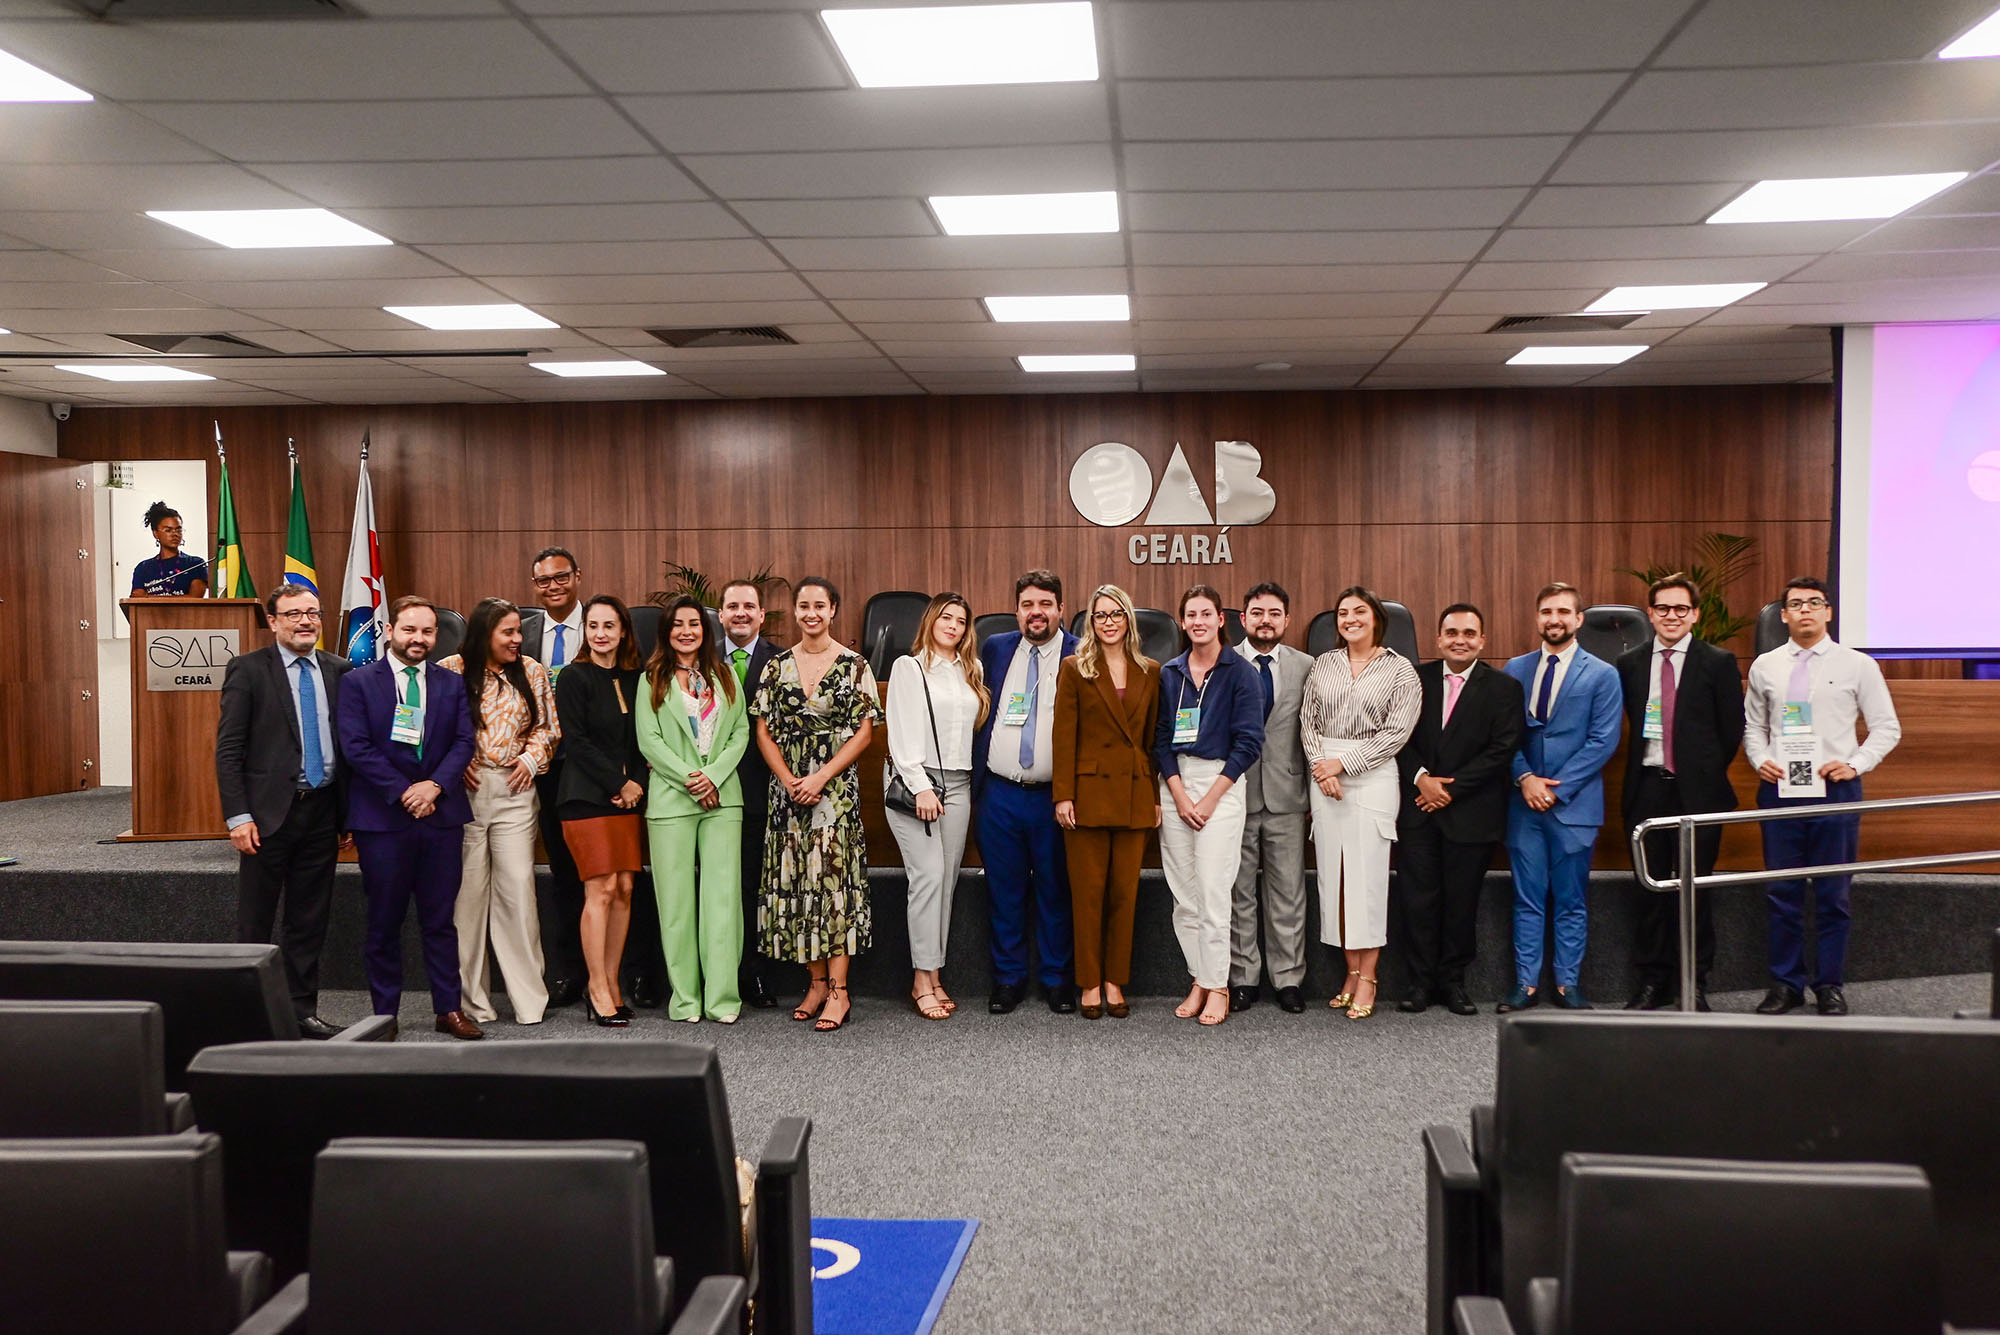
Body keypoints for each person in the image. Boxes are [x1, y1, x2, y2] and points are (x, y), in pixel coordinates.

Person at [1745, 576, 1901, 1017]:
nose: (1806, 611)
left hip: (1835, 791)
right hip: (1781, 791)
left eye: (1814, 603)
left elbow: (1886, 727)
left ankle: (1829, 985)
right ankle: (1786, 985)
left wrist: (1856, 763)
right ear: (1784, 615)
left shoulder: (1858, 665)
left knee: (1833, 896)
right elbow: (1754, 727)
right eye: (1796, 604)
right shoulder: (1765, 666)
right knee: (1782, 893)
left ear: (1828, 612)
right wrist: (1760, 759)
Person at [335, 595, 482, 1040]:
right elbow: (356, 746)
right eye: (410, 630)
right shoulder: (358, 682)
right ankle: (385, 1014)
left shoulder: (450, 683)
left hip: (440, 818)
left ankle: (448, 1009)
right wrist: (405, 791)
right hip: (383, 821)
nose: (419, 639)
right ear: (390, 631)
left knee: (440, 921)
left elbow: (464, 741)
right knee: (384, 922)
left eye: (428, 631)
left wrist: (434, 786)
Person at [215, 583, 351, 1039]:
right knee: (255, 921)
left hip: (323, 813)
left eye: (312, 612)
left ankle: (300, 1012)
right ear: (272, 621)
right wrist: (238, 816)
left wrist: (348, 815)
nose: (305, 621)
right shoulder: (249, 670)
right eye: (293, 614)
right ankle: (247, 1017)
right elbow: (229, 750)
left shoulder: (339, 670)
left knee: (308, 921)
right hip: (266, 817)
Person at [750, 577, 880, 1033]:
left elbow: (865, 732)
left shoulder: (855, 665)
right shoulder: (776, 666)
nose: (811, 613)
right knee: (800, 886)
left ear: (833, 610)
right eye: (803, 605)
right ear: (795, 610)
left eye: (819, 606)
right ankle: (817, 983)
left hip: (834, 793)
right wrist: (789, 780)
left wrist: (821, 776)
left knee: (833, 887)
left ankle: (840, 991)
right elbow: (763, 731)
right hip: (788, 793)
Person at [1616, 574, 1746, 1012]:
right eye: (1663, 608)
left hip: (1699, 794)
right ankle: (1653, 982)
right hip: (1647, 790)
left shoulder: (1718, 662)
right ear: (1650, 613)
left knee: (1695, 890)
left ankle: (1694, 982)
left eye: (1681, 608)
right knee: (1650, 891)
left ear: (1695, 614)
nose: (1672, 616)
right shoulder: (1630, 663)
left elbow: (1731, 731)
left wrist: (1698, 772)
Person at [1499, 582, 1623, 1013]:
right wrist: (1525, 778)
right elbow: (1503, 735)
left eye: (1563, 612)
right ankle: (1526, 985)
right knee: (1527, 899)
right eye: (1547, 611)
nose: (1555, 619)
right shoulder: (1514, 669)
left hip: (1574, 806)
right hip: (1523, 805)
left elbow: (1603, 741)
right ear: (1537, 618)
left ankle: (1568, 985)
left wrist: (1556, 788)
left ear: (1578, 619)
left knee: (1571, 901)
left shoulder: (1603, 674)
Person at [1300, 586, 1422, 1021]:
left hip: (1372, 778)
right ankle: (1350, 972)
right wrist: (1322, 768)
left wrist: (1343, 764)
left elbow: (1396, 734)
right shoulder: (1323, 664)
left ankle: (1369, 976)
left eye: (1359, 611)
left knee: (1366, 881)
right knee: (1335, 881)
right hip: (1324, 776)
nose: (1350, 619)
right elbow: (1308, 721)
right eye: (1342, 613)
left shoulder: (1400, 670)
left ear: (1376, 619)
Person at [1395, 604, 1523, 1015]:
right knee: (1418, 900)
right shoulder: (1413, 680)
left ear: (1482, 641)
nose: (1460, 640)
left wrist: (1448, 790)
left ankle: (1453, 982)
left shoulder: (1504, 688)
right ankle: (1419, 983)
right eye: (1451, 633)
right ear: (1438, 639)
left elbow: (1502, 749)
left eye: (1469, 633)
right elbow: (1396, 737)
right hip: (1418, 808)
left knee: (1461, 902)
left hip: (1471, 811)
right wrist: (1421, 779)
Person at [439, 596, 558, 1027]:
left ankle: (529, 1002)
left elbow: (548, 728)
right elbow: (431, 728)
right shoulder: (450, 670)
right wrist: (456, 761)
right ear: (483, 634)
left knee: (518, 893)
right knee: (467, 900)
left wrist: (530, 758)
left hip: (515, 789)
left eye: (518, 631)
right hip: (464, 795)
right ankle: (473, 1003)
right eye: (507, 632)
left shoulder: (532, 671)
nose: (516, 639)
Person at [637, 595, 751, 1024]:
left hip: (723, 800)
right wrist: (693, 779)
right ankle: (685, 999)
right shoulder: (651, 679)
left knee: (723, 902)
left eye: (694, 624)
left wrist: (713, 777)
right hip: (672, 801)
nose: (686, 631)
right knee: (677, 905)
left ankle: (722, 999)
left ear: (706, 631)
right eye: (678, 624)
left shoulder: (725, 675)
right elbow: (650, 741)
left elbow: (740, 732)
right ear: (666, 632)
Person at [1154, 584, 1265, 1027]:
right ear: (1182, 622)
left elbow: (1249, 743)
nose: (1198, 622)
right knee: (1185, 898)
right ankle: (1199, 978)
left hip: (1222, 784)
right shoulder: (1170, 673)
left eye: (1206, 614)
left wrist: (1209, 798)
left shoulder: (1241, 673)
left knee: (1215, 893)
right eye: (1191, 615)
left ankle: (1219, 985)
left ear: (1221, 620)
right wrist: (1180, 795)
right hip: (1176, 785)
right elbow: (1160, 740)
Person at [974, 571, 1081, 1014]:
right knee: (1005, 892)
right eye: (1027, 605)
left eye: (1045, 604)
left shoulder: (1080, 653)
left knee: (1056, 890)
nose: (1036, 613)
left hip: (1053, 797)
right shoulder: (996, 648)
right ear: (1016, 610)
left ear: (1060, 609)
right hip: (999, 794)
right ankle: (1008, 979)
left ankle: (1057, 980)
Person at [1053, 584, 1159, 1021]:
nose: (1109, 622)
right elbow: (1063, 736)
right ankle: (1090, 983)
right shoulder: (1075, 668)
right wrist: (1063, 794)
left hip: (1134, 795)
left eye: (1116, 614)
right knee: (1088, 896)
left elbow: (1151, 741)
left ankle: (1116, 980)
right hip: (1088, 796)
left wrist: (1154, 795)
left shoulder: (1150, 670)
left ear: (1128, 619)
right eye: (1100, 615)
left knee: (1124, 895)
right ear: (1090, 623)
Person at [885, 593, 988, 1021]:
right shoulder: (909, 667)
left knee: (945, 882)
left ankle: (934, 975)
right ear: (931, 620)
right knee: (927, 877)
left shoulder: (971, 669)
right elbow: (900, 733)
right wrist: (921, 786)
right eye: (946, 617)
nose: (953, 626)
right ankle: (920, 980)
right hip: (918, 783)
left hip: (959, 784)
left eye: (961, 621)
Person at [554, 594, 647, 1027]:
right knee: (602, 889)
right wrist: (619, 784)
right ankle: (595, 987)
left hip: (627, 799)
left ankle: (612, 982)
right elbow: (576, 742)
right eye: (593, 625)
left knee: (625, 887)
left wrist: (636, 786)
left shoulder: (636, 679)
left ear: (623, 631)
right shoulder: (573, 677)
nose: (600, 633)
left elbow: (644, 740)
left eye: (609, 625)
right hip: (584, 798)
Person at [1227, 581, 1314, 1014]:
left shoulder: (1307, 666)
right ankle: (1243, 978)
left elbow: (1314, 731)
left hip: (1288, 795)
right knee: (1238, 892)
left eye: (1274, 613)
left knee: (1288, 893)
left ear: (1286, 619)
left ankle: (1288, 979)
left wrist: (1313, 794)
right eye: (1257, 612)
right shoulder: (1223, 662)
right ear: (1243, 618)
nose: (1266, 621)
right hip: (1235, 794)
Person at [719, 578, 783, 1008]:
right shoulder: (700, 660)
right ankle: (716, 972)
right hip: (711, 793)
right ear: (720, 615)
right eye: (732, 606)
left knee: (754, 888)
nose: (740, 613)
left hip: (764, 792)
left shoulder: (783, 661)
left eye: (749, 606)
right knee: (717, 887)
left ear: (762, 615)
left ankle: (753, 972)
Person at [130, 501, 208, 597]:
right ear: (155, 533)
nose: (175, 534)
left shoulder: (195, 564)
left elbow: (195, 598)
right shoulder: (143, 568)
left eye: (178, 530)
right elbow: (137, 598)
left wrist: (148, 597)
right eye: (168, 530)